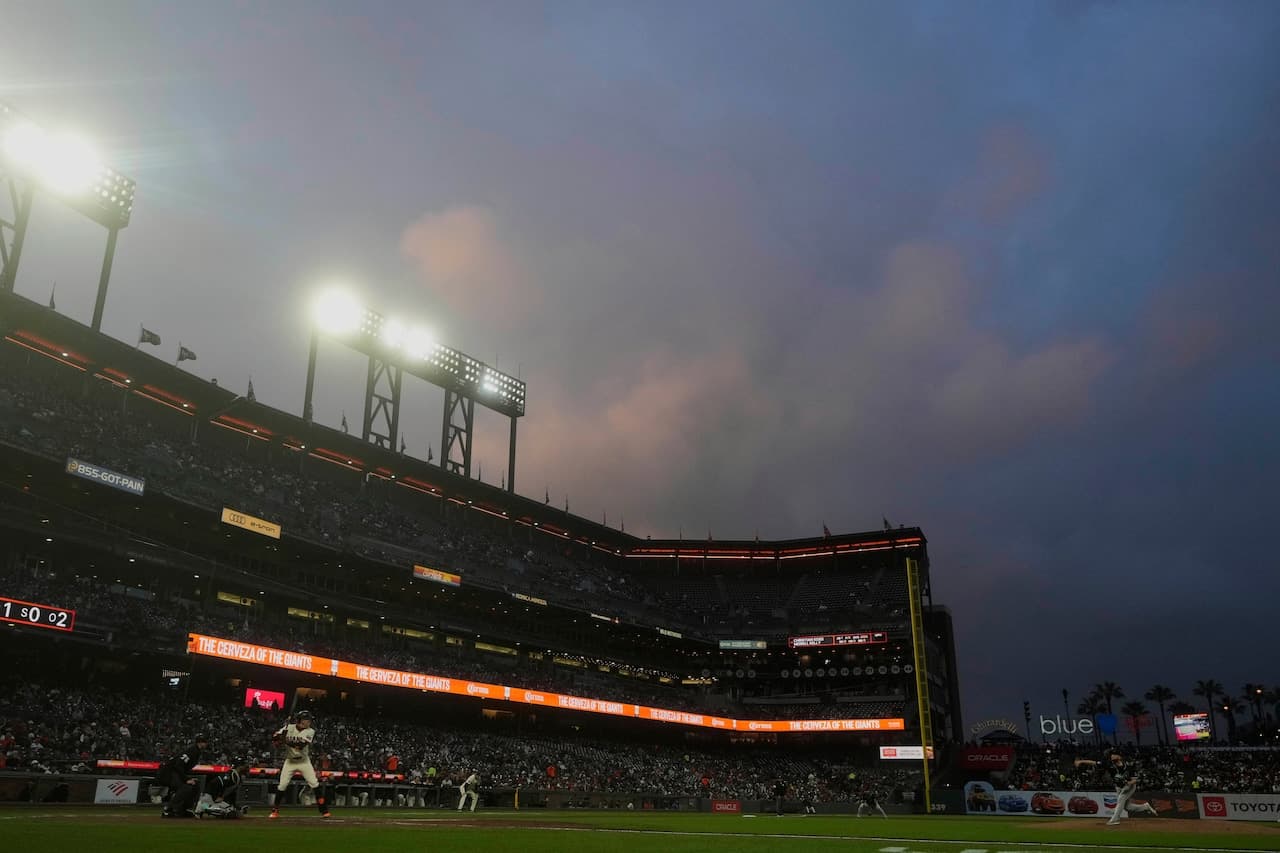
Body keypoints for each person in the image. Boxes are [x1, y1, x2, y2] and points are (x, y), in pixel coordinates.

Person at [269, 711, 330, 819]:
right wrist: (280, 735)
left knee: (314, 784)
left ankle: (324, 810)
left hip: (304, 761)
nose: (309, 722)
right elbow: (274, 738)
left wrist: (285, 741)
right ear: (300, 720)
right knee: (282, 785)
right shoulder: (289, 727)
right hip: (290, 761)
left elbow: (300, 745)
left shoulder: (310, 731)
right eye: (307, 719)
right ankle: (275, 810)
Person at [1075, 751, 1158, 825]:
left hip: (1129, 786)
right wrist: (1081, 761)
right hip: (1119, 787)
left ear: (1119, 757)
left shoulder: (1128, 766)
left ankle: (1115, 819)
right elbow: (1093, 763)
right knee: (1127, 807)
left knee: (1120, 800)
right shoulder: (1108, 764)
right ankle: (1145, 806)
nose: (1112, 756)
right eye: (1111, 755)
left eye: (1114, 754)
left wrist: (1128, 783)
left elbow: (1135, 780)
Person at [159, 733, 209, 818]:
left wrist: (188, 778)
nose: (206, 744)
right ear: (199, 743)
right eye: (205, 742)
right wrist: (186, 779)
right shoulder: (192, 750)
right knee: (186, 787)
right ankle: (168, 809)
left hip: (175, 771)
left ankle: (185, 809)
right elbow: (178, 765)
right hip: (169, 771)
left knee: (195, 785)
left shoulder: (196, 751)